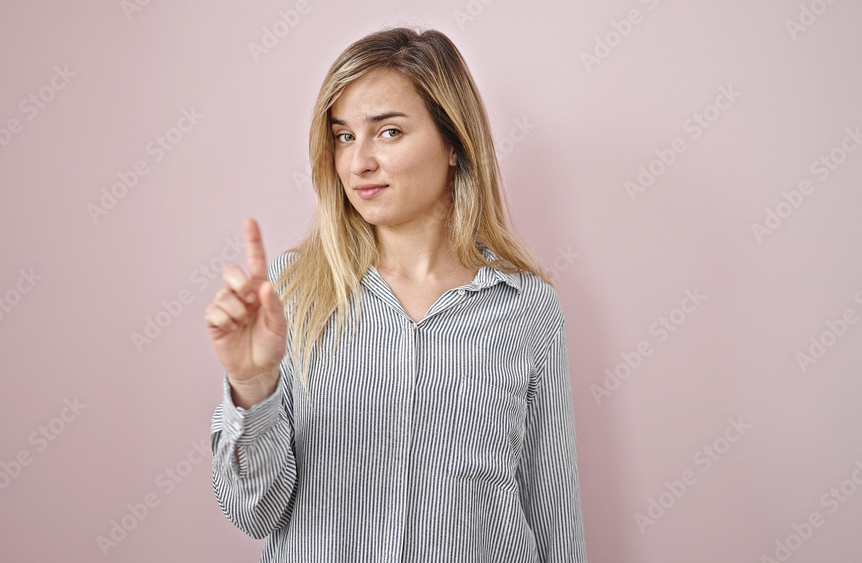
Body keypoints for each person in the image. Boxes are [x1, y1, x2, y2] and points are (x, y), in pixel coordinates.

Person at [206, 26, 587, 562]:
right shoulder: (291, 293)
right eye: (343, 136)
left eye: (388, 132)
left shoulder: (526, 308)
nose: (357, 162)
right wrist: (251, 385)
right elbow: (254, 513)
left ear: (453, 143)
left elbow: (552, 512)